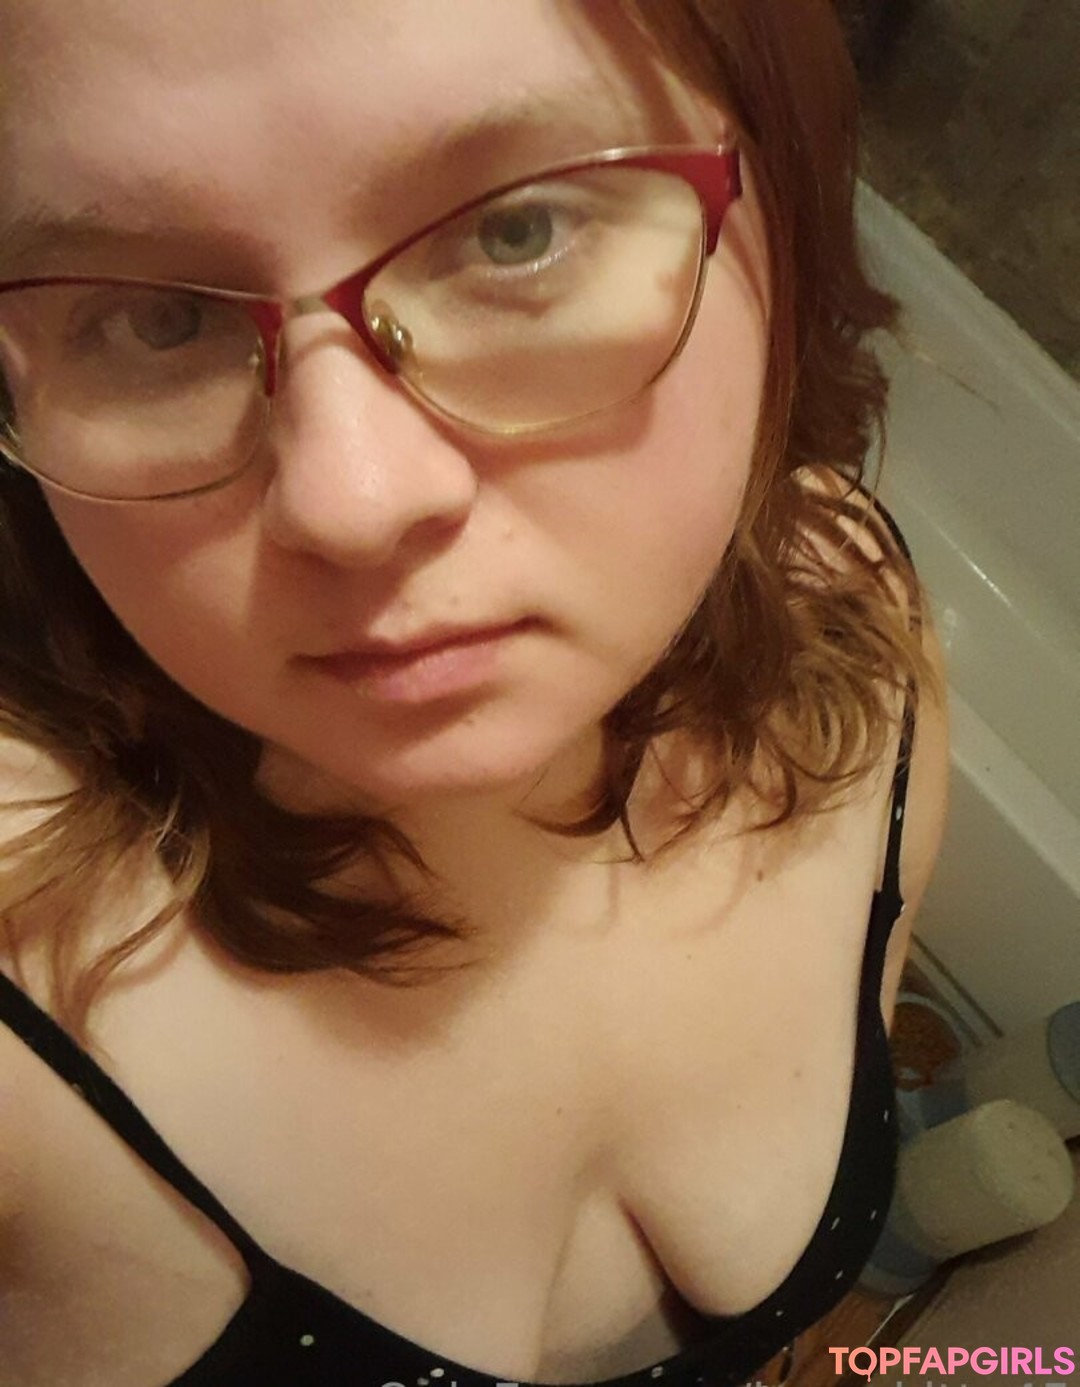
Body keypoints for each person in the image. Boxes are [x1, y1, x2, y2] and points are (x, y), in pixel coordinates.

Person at [0, 1, 950, 1383]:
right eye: (159, 322)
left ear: (779, 180)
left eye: (518, 232)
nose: (353, 498)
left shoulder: (847, 612)